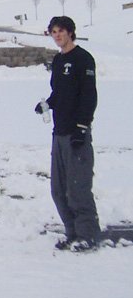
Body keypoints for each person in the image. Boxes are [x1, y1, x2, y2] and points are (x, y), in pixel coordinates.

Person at [35, 16, 101, 252]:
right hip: (59, 132)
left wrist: (82, 127)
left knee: (77, 187)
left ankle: (88, 235)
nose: (57, 36)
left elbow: (88, 96)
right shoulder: (58, 59)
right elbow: (58, 92)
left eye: (61, 31)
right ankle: (72, 233)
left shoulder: (83, 59)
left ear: (71, 32)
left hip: (76, 133)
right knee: (59, 188)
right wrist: (47, 105)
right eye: (53, 32)